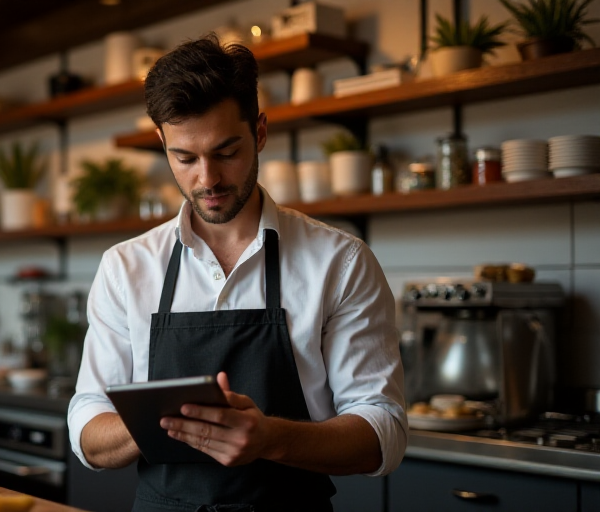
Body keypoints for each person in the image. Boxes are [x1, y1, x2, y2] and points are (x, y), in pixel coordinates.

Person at [66, 34, 407, 512]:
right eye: (184, 158)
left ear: (261, 132)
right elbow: (87, 424)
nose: (207, 179)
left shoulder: (340, 262)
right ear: (162, 143)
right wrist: (162, 422)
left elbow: (383, 431)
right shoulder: (126, 267)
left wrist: (269, 438)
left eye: (227, 152)